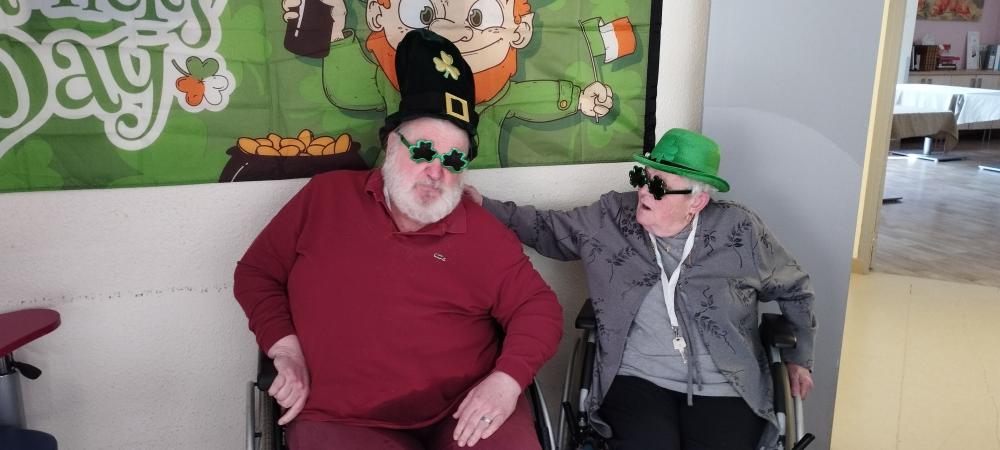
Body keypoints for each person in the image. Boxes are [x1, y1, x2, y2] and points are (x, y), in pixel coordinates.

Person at [233, 29, 563, 450]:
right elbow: (257, 273)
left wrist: (506, 381)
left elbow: (539, 308)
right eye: (423, 151)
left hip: (461, 409)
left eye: (454, 160)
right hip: (342, 416)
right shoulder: (325, 198)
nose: (436, 171)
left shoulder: (481, 231)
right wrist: (285, 350)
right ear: (391, 146)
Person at [466, 128, 816, 450]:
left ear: (696, 202)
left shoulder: (740, 230)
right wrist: (482, 205)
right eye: (641, 177)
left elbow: (795, 289)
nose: (643, 191)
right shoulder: (611, 218)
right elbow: (545, 228)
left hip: (726, 384)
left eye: (659, 186)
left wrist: (799, 359)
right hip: (637, 378)